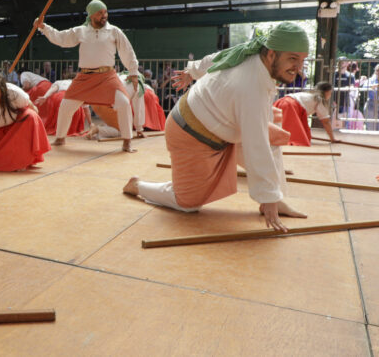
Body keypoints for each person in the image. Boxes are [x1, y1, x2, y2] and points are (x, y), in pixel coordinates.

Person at [123, 22, 310, 232]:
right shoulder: (251, 87)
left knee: (272, 136)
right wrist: (268, 198)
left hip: (224, 129)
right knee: (187, 204)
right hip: (189, 133)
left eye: (302, 60)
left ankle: (277, 198)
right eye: (292, 58)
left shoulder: (251, 53)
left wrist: (192, 71)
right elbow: (256, 145)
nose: (298, 67)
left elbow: (216, 58)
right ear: (272, 54)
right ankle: (138, 186)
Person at [36, 0, 140, 152]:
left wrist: (134, 72)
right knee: (65, 106)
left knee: (123, 103)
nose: (104, 15)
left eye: (105, 12)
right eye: (100, 13)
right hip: (85, 77)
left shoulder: (114, 31)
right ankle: (60, 138)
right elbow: (61, 38)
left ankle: (127, 141)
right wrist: (44, 27)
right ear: (91, 15)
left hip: (107, 77)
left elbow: (127, 51)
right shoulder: (81, 31)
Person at [363, 65, 379, 131]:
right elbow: (364, 87)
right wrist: (373, 86)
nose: (378, 72)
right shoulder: (371, 80)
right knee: (371, 128)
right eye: (377, 70)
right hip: (371, 104)